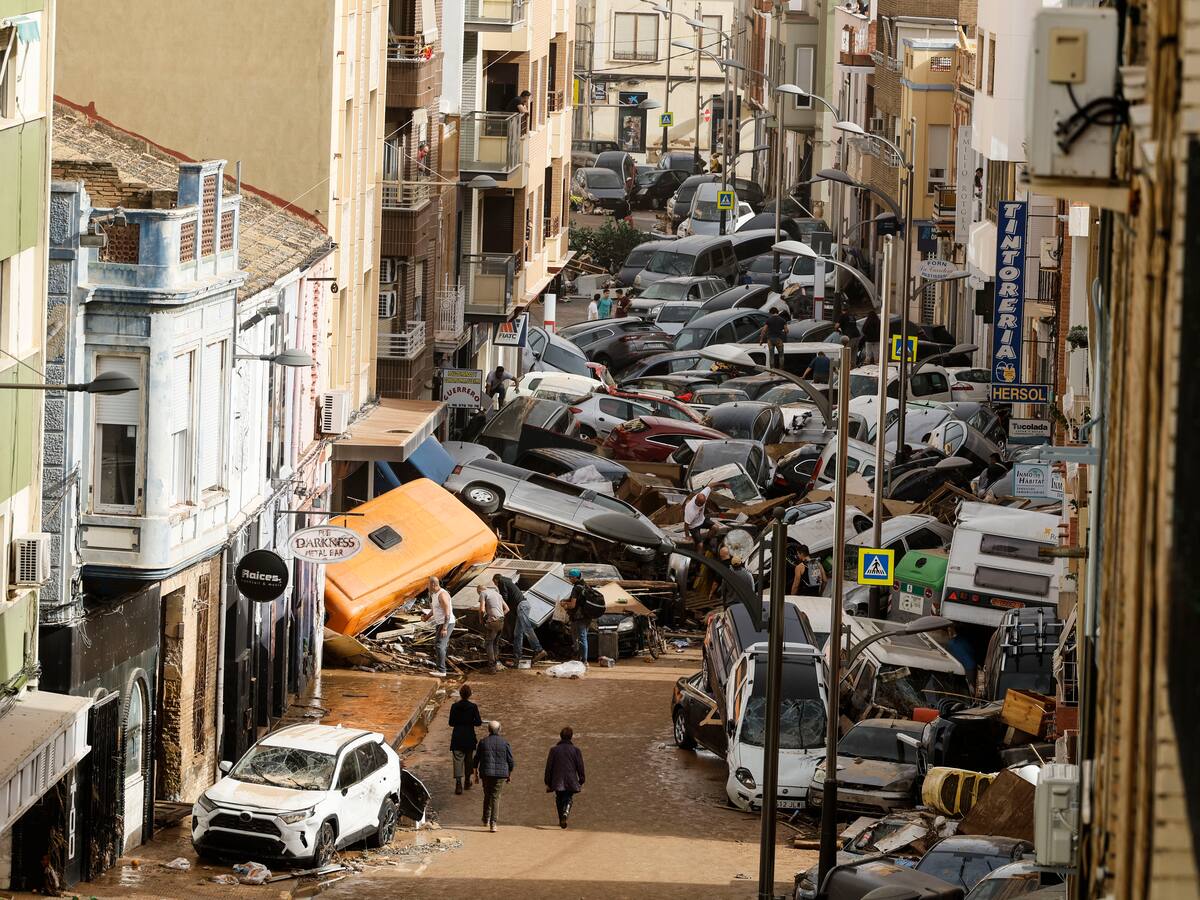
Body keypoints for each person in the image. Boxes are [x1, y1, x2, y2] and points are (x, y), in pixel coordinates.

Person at [494, 573, 548, 665]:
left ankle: (539, 650)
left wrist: (499, 608)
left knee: (527, 628)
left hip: (521, 606)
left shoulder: (502, 582)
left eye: (495, 583)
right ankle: (517, 656)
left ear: (496, 580)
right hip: (523, 606)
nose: (495, 585)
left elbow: (504, 597)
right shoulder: (508, 581)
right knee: (517, 633)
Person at [473, 721, 514, 832]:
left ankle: (485, 819)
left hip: (486, 773)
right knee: (495, 797)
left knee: (487, 795)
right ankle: (493, 823)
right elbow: (510, 762)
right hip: (500, 775)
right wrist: (509, 774)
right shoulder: (505, 743)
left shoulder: (483, 742)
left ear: (489, 729)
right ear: (499, 729)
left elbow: (476, 760)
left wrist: (475, 775)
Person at [544, 726, 586, 828]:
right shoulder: (576, 750)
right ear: (571, 737)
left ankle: (561, 819)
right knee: (568, 797)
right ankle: (565, 813)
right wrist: (581, 779)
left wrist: (547, 781)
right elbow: (580, 766)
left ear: (560, 736)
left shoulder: (554, 750)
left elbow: (549, 767)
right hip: (571, 779)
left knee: (559, 798)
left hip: (557, 780)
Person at [448, 685, 483, 795]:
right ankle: (467, 781)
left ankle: (458, 784)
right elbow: (478, 722)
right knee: (469, 760)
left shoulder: (454, 706)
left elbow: (451, 723)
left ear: (460, 694)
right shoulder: (473, 707)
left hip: (457, 737)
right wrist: (470, 721)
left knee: (457, 760)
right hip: (469, 736)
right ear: (470, 695)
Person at [422, 576, 455, 676]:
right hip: (440, 623)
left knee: (440, 646)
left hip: (447, 623)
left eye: (428, 584)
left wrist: (444, 628)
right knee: (439, 645)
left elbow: (447, 613)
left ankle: (442, 671)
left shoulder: (442, 595)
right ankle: (442, 667)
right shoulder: (434, 595)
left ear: (433, 584)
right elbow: (434, 609)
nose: (427, 586)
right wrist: (426, 617)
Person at [563, 569, 596, 664]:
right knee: (583, 637)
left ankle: (583, 660)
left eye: (570, 577)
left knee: (580, 638)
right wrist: (566, 600)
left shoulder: (576, 588)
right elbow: (580, 600)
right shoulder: (586, 586)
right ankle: (581, 659)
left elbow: (573, 605)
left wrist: (565, 605)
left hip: (579, 617)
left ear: (574, 577)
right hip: (588, 616)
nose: (569, 579)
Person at [477, 582, 509, 673]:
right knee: (495, 643)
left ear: (479, 591)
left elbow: (482, 609)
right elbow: (507, 609)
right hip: (501, 621)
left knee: (488, 643)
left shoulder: (483, 593)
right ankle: (496, 664)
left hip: (493, 623)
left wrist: (481, 619)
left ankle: (492, 667)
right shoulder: (497, 594)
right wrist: (499, 617)